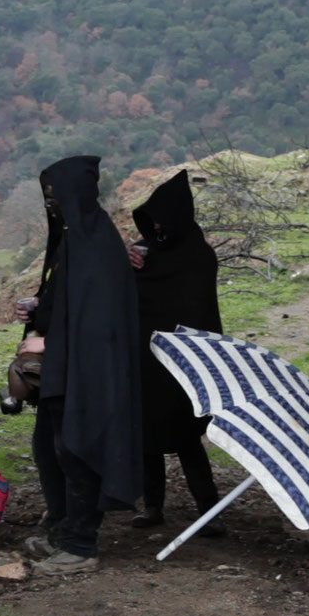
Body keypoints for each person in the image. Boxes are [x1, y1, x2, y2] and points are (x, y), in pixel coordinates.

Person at [15, 156, 142, 575]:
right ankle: (61, 529)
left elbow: (99, 319)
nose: (51, 206)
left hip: (87, 372)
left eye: (56, 197)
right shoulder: (74, 240)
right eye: (47, 198)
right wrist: (40, 306)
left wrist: (49, 340)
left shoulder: (97, 246)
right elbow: (72, 299)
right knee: (50, 450)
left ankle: (80, 543)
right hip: (64, 369)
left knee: (76, 449)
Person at [128, 170, 225, 535]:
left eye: (160, 219)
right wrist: (131, 266)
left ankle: (210, 509)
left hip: (186, 363)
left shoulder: (197, 255)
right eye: (150, 221)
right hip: (147, 357)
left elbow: (196, 308)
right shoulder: (147, 252)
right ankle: (152, 506)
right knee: (147, 438)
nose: (155, 227)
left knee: (187, 440)